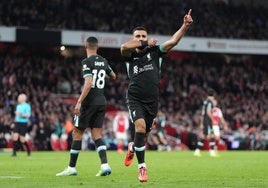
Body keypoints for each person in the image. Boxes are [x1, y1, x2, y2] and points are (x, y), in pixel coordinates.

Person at [120, 9, 193, 182]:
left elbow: (173, 41)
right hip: (135, 98)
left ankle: (133, 148)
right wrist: (145, 45)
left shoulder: (156, 52)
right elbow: (123, 47)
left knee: (142, 137)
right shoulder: (130, 55)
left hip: (152, 101)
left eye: (143, 36)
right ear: (133, 38)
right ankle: (142, 168)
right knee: (139, 128)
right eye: (137, 36)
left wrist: (185, 26)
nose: (140, 39)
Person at [56, 36, 116, 177]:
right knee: (96, 134)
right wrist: (101, 72)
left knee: (77, 132)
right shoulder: (103, 61)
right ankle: (104, 165)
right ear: (98, 47)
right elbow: (113, 76)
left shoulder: (86, 62)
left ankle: (71, 168)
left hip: (89, 102)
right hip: (101, 101)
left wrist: (79, 102)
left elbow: (88, 83)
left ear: (85, 46)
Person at [194, 88, 217, 157]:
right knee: (211, 135)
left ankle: (197, 151)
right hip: (208, 120)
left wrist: (201, 122)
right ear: (213, 94)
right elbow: (208, 112)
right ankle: (212, 151)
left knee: (205, 136)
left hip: (205, 120)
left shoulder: (205, 101)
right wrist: (213, 119)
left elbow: (203, 113)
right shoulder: (209, 102)